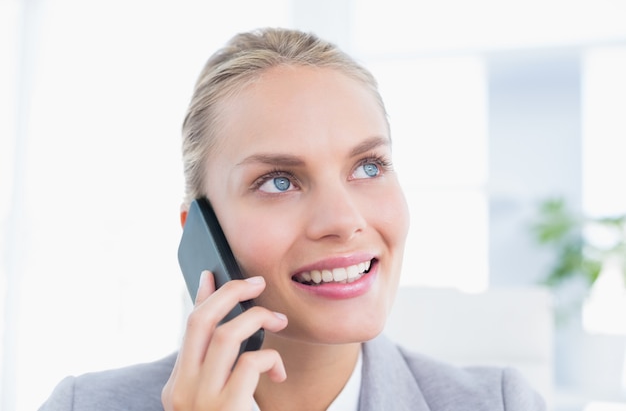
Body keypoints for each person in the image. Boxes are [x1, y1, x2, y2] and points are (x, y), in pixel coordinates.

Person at [39, 27, 546, 411]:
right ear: (199, 233)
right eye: (279, 181)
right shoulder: (82, 405)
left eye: (368, 167)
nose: (343, 220)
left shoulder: (500, 403)